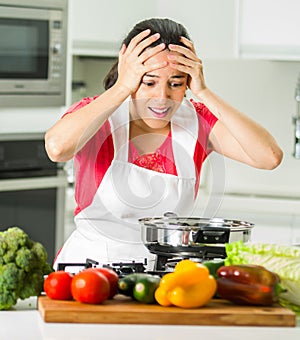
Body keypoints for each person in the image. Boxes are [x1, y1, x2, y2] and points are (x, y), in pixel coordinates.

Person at [45, 18, 283, 270]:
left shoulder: (197, 122)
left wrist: (204, 91)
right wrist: (122, 86)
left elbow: (268, 157)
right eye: (149, 82)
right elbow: (57, 148)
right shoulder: (98, 116)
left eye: (176, 83)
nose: (162, 98)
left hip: (163, 276)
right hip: (87, 274)